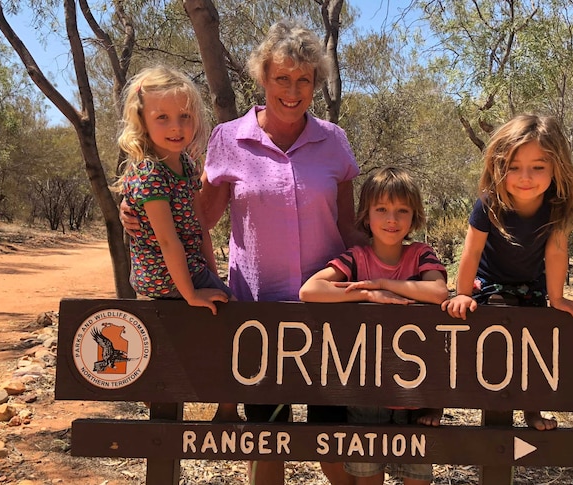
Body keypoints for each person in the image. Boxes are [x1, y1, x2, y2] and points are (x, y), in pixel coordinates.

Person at [121, 20, 365, 485]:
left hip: (326, 318)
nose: (292, 91)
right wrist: (137, 208)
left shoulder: (334, 141)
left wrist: (405, 259)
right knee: (265, 439)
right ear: (262, 78)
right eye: (281, 78)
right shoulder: (228, 139)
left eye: (304, 80)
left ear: (316, 84)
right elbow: (197, 220)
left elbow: (348, 228)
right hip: (256, 317)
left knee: (331, 439)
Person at [440, 114, 573, 431]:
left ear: (556, 167)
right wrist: (463, 293)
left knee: (534, 344)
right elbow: (472, 251)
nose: (526, 176)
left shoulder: (556, 205)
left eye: (538, 167)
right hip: (488, 283)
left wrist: (557, 298)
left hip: (530, 285)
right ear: (498, 166)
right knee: (470, 337)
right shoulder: (489, 203)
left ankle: (533, 411)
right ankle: (437, 401)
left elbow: (556, 251)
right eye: (513, 166)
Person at [300, 166, 448, 485]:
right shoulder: (356, 258)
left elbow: (438, 292)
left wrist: (383, 282)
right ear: (367, 215)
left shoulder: (420, 255)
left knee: (418, 477)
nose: (391, 219)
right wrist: (367, 293)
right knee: (368, 478)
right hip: (367, 394)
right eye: (381, 210)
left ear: (414, 216)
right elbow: (310, 290)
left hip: (416, 396)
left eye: (401, 211)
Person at [113, 65, 239, 422]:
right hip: (165, 278)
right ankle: (223, 409)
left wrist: (212, 274)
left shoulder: (184, 163)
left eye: (184, 116)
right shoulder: (149, 171)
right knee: (229, 323)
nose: (175, 127)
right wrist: (192, 294)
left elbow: (197, 225)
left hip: (186, 271)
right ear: (142, 119)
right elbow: (168, 241)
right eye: (163, 117)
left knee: (226, 311)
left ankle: (223, 407)